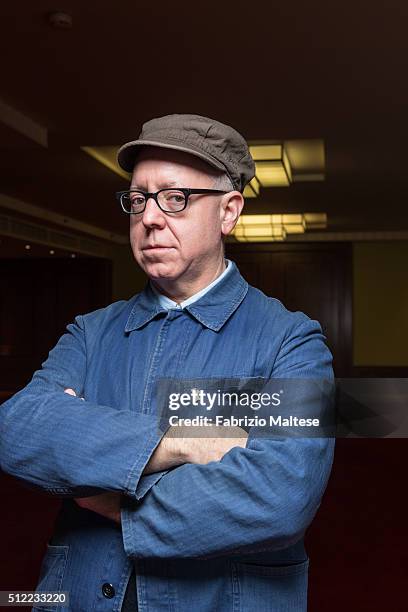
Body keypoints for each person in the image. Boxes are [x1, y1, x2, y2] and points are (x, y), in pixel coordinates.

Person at [0, 114, 335, 611]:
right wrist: (175, 443)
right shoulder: (90, 332)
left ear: (229, 212)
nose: (150, 218)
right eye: (138, 199)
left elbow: (279, 497)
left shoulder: (293, 341)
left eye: (175, 198)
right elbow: (19, 429)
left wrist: (110, 491)